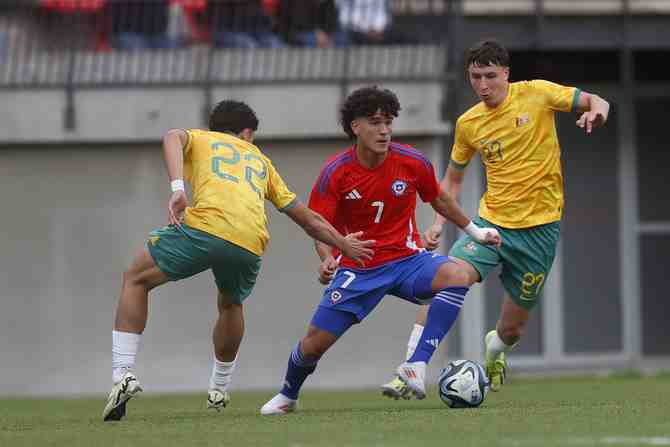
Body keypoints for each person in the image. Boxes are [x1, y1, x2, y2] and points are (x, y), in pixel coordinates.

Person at [102, 100, 376, 422]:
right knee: (231, 304)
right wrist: (343, 243)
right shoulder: (260, 160)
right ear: (247, 133)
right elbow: (305, 217)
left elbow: (172, 137)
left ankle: (122, 375)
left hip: (205, 227)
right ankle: (219, 388)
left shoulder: (203, 139)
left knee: (136, 278)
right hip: (250, 242)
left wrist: (178, 188)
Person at [382, 39, 610, 400]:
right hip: (491, 225)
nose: (483, 85)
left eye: (490, 76)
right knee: (447, 277)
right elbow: (453, 179)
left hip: (540, 230)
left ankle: (496, 349)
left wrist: (596, 111)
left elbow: (598, 100)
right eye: (476, 77)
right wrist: (441, 223)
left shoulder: (538, 94)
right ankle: (411, 367)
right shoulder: (469, 123)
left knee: (512, 329)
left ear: (506, 73)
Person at [259, 85, 501, 415]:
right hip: (358, 269)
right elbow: (318, 225)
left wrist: (475, 230)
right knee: (313, 344)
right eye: (374, 122)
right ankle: (288, 395)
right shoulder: (336, 172)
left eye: (388, 122)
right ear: (355, 126)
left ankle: (416, 365)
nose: (384, 130)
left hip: (407, 260)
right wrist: (327, 258)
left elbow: (440, 200)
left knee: (457, 274)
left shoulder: (412, 161)